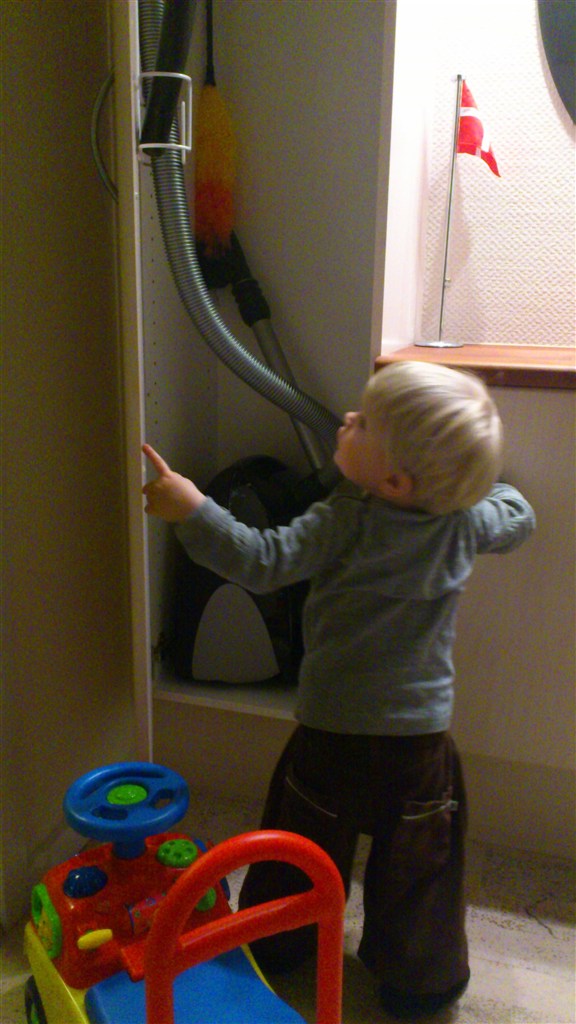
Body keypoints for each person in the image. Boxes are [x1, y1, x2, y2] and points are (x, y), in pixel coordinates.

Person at [142, 360, 536, 1020]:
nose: (348, 420)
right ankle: (420, 982)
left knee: (300, 845)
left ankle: (276, 945)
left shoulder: (343, 523)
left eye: (364, 422)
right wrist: (469, 487)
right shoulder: (463, 525)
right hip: (421, 742)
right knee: (421, 867)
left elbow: (261, 560)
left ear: (395, 481)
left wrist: (193, 510)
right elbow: (518, 515)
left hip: (332, 735)